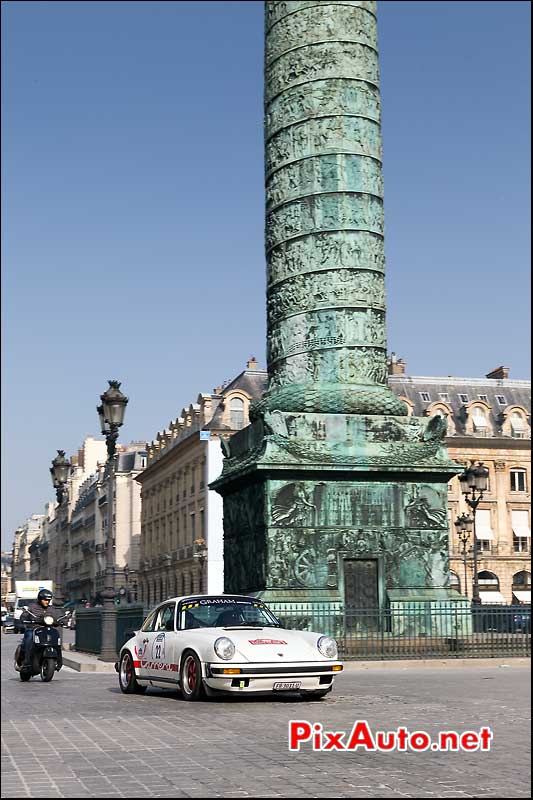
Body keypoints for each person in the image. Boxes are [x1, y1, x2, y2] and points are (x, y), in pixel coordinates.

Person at [19, 589, 61, 670]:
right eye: (45, 600)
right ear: (39, 599)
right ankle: (25, 659)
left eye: (48, 600)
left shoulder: (51, 609)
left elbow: (58, 617)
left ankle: (58, 660)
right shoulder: (32, 607)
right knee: (29, 637)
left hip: (47, 629)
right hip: (34, 628)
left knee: (56, 638)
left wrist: (62, 620)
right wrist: (25, 618)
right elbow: (24, 615)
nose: (47, 602)